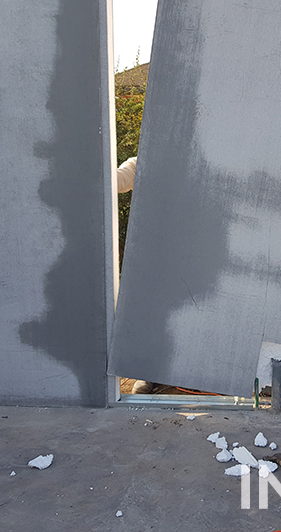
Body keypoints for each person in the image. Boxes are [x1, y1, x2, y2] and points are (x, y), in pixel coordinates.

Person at [116, 155, 155, 394]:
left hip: (189, 248)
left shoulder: (194, 159)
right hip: (150, 248)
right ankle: (146, 372)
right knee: (147, 309)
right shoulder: (141, 161)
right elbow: (118, 181)